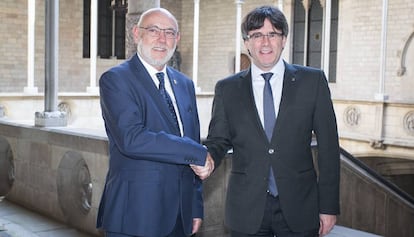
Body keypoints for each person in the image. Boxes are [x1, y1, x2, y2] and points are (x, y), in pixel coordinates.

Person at [203, 5, 340, 237]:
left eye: (272, 34)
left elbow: (328, 148)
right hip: (247, 209)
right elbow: (218, 140)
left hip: (300, 206)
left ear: (284, 39)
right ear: (247, 43)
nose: (265, 43)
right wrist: (207, 157)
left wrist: (328, 207)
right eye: (257, 35)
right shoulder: (227, 89)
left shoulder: (312, 82)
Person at [96, 8, 214, 237]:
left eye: (169, 32)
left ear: (177, 39)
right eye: (153, 30)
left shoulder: (185, 84)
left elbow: (192, 142)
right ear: (136, 34)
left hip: (181, 216)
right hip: (136, 216)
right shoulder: (116, 80)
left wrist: (195, 207)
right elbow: (132, 138)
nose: (162, 39)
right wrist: (197, 152)